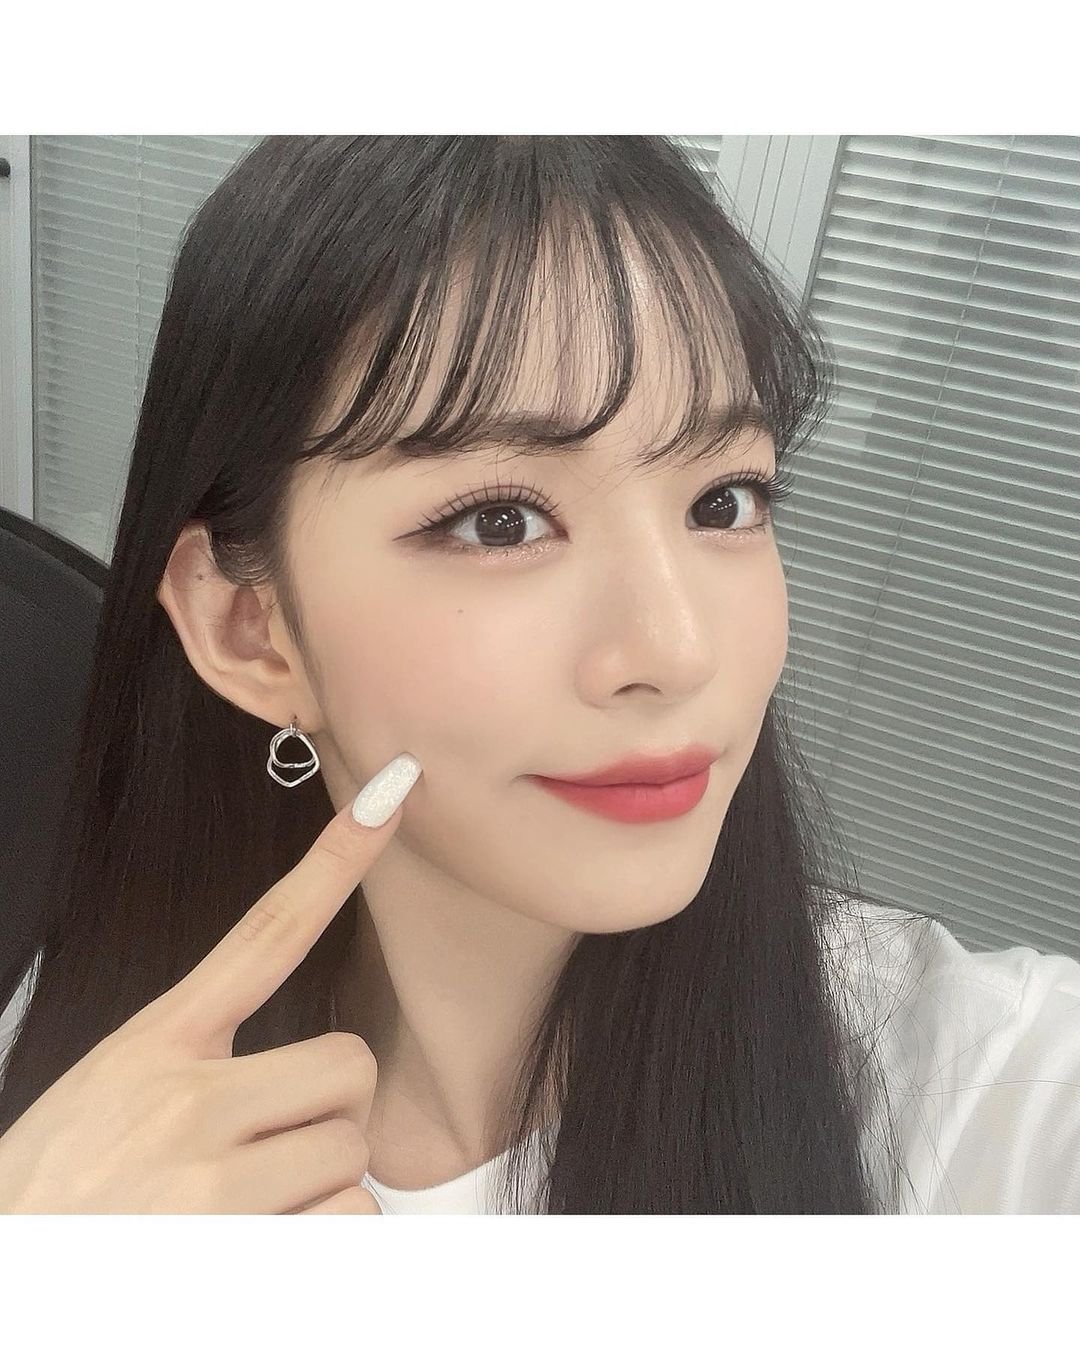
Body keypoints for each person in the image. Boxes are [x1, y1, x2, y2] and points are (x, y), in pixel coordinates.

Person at [0, 135, 1077, 1214]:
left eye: (725, 501)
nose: (678, 651)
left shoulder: (979, 1086)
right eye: (501, 521)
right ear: (251, 630)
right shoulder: (99, 1077)